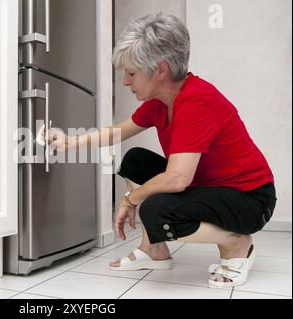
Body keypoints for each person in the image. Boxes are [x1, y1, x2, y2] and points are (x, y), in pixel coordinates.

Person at [46, 13, 276, 288]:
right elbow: (117, 131)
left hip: (250, 200)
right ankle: (154, 249)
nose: (125, 82)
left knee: (155, 208)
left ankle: (237, 242)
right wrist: (70, 142)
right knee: (135, 160)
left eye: (131, 73)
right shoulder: (160, 100)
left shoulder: (197, 100)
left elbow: (178, 179)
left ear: (160, 70)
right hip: (209, 188)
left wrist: (130, 200)